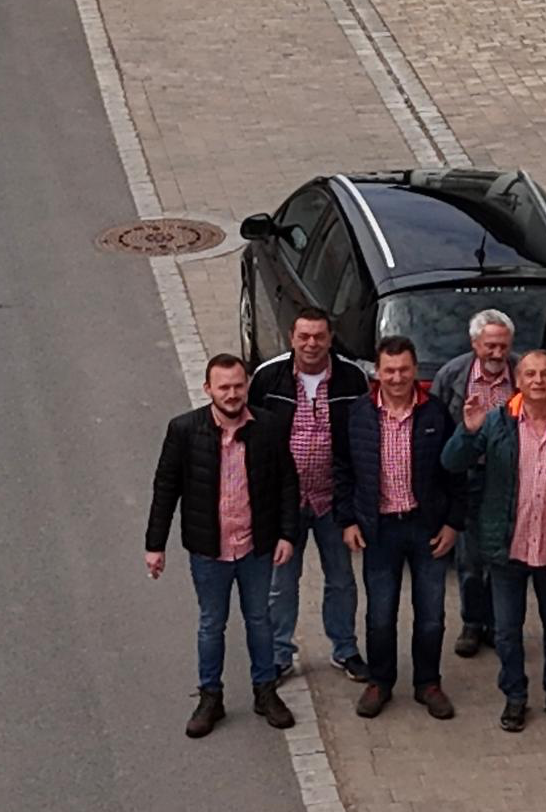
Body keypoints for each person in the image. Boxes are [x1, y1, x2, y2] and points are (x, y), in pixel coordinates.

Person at [442, 349, 546, 733]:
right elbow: (451, 462)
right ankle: (515, 697)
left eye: (545, 373)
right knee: (508, 632)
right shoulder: (496, 422)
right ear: (519, 380)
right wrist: (468, 430)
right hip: (506, 547)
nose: (538, 381)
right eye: (530, 374)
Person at [146, 353, 299, 739]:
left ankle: (265, 691)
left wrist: (287, 535)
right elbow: (166, 489)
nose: (232, 394)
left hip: (256, 547)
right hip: (208, 549)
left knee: (260, 620)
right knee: (211, 624)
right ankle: (210, 696)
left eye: (238, 385)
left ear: (247, 385)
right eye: (224, 387)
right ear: (208, 389)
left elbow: (287, 483)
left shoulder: (269, 426)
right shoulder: (184, 430)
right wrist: (155, 545)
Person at [335, 336, 462, 720]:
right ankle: (380, 683)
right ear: (377, 372)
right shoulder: (358, 414)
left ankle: (428, 683)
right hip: (380, 530)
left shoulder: (435, 414)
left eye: (404, 369)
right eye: (389, 370)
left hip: (426, 528)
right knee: (380, 613)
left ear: (415, 369)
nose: (397, 377)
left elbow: (455, 472)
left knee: (430, 615)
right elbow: (342, 470)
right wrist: (348, 520)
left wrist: (454, 523)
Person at [251, 308, 369, 683]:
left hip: (333, 500)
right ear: (291, 337)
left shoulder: (352, 378)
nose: (312, 344)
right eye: (304, 336)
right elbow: (251, 437)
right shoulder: (269, 378)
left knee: (341, 580)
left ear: (330, 338)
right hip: (285, 502)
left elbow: (362, 440)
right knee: (281, 583)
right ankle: (279, 653)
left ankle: (345, 649)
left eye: (319, 336)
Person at [430, 310, 517, 658]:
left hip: (509, 479)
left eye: (503, 346)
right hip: (467, 476)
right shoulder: (452, 375)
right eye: (490, 346)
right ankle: (472, 623)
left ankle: (498, 625)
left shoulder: (523, 372)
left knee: (503, 554)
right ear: (474, 344)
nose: (497, 354)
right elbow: (436, 426)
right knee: (469, 558)